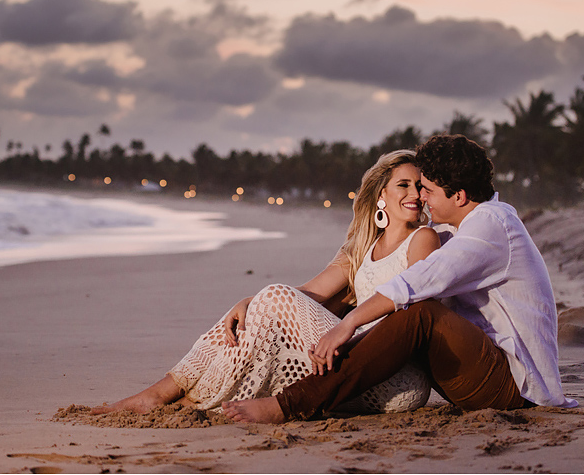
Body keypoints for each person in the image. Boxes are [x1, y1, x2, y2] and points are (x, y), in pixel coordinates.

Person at [222, 134, 577, 424]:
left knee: (421, 312)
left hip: (515, 387)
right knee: (410, 312)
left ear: (459, 195)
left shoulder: (491, 225)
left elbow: (419, 281)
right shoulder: (460, 229)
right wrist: (260, 304)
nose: (421, 199)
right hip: (479, 372)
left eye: (428, 191)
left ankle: (290, 405)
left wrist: (348, 327)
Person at [91, 149, 442, 415]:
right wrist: (250, 302)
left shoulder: (423, 238)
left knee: (274, 295)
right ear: (381, 195)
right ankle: (172, 392)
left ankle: (179, 398)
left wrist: (271, 300)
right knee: (264, 303)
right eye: (404, 185)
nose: (414, 193)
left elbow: (412, 310)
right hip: (353, 366)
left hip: (397, 380)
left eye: (419, 186)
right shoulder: (361, 249)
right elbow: (307, 294)